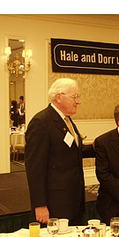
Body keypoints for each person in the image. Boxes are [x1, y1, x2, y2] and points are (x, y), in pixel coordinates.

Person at [25, 78, 95, 225]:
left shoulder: (66, 120)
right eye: (74, 97)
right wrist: (40, 205)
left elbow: (71, 151)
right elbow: (35, 168)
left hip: (73, 198)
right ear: (59, 97)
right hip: (55, 202)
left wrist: (95, 148)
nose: (79, 101)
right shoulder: (41, 122)